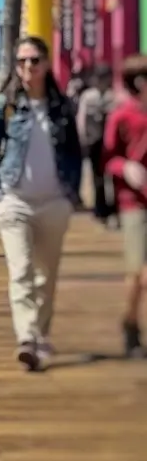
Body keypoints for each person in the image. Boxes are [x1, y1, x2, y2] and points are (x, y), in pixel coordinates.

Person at [0, 37, 82, 371]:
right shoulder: (5, 105)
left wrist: (70, 196)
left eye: (34, 60)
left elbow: (73, 153)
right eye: (22, 61)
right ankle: (26, 338)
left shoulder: (62, 106)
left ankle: (40, 334)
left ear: (46, 63)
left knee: (47, 276)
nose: (28, 67)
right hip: (15, 202)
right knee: (21, 271)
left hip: (54, 202)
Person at [103, 55, 147, 359]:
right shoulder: (122, 116)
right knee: (138, 272)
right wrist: (126, 168)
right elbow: (108, 158)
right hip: (134, 203)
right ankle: (130, 322)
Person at [77, 63, 116, 224]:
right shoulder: (88, 97)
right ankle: (100, 208)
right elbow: (82, 118)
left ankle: (112, 207)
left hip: (110, 143)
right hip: (93, 141)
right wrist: (83, 138)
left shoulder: (113, 97)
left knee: (112, 176)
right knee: (97, 177)